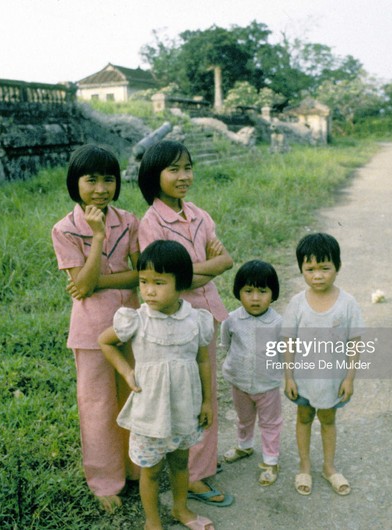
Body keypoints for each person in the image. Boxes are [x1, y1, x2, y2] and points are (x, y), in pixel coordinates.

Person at [137, 140, 234, 507]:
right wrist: (208, 268)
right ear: (154, 175)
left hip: (205, 315)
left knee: (207, 391)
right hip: (174, 324)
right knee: (189, 395)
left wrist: (201, 269)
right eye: (174, 169)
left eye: (188, 168)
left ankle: (202, 466)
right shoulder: (151, 223)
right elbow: (168, 280)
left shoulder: (199, 214)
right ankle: (192, 477)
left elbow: (226, 258)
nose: (184, 176)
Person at [98, 240, 216, 530]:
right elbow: (105, 341)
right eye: (143, 282)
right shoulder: (135, 320)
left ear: (181, 284)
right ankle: (152, 522)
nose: (149, 290)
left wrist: (208, 401)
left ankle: (181, 509)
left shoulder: (196, 321)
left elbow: (203, 361)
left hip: (183, 409)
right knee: (150, 471)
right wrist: (126, 372)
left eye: (159, 282)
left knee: (179, 464)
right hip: (150, 414)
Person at [50, 144, 140, 513]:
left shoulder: (130, 221)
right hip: (90, 331)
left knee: (134, 396)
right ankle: (105, 480)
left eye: (108, 179)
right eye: (91, 180)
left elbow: (141, 273)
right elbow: (81, 284)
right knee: (98, 404)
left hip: (133, 324)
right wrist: (98, 236)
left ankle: (137, 468)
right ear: (76, 183)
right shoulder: (65, 229)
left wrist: (98, 282)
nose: (101, 188)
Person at [282, 233, 364, 497]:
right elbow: (289, 342)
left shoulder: (347, 303)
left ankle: (329, 467)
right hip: (303, 380)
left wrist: (350, 378)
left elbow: (355, 342)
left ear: (337, 267)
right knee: (304, 417)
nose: (317, 275)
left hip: (332, 379)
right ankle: (304, 464)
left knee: (328, 420)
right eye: (310, 269)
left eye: (324, 268)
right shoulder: (297, 304)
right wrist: (288, 377)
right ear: (301, 270)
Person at [219, 260, 283, 486]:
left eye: (262, 291)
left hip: (268, 387)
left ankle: (271, 460)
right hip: (239, 383)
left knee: (271, 423)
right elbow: (225, 344)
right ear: (238, 292)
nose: (255, 298)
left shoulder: (278, 323)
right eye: (248, 291)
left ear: (273, 293)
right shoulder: (231, 319)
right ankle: (244, 446)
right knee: (244, 419)